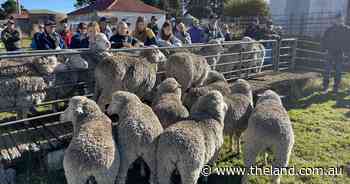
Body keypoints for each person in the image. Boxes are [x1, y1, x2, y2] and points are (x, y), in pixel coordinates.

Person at [321, 14, 350, 94]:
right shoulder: (329, 29)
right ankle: (325, 87)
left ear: (343, 20)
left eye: (340, 19)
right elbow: (324, 39)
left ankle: (335, 88)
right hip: (330, 52)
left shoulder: (346, 30)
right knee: (327, 70)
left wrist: (347, 51)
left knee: (338, 71)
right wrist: (324, 49)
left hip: (340, 53)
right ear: (334, 20)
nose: (339, 21)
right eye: (337, 19)